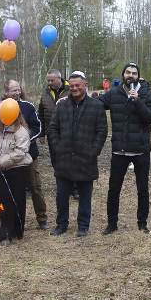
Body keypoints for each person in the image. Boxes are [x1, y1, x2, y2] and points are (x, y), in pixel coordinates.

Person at [47, 71, 107, 237]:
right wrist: (58, 147)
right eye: (71, 86)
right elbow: (52, 128)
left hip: (86, 159)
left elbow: (102, 131)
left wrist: (94, 151)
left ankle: (83, 226)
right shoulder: (62, 105)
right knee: (61, 196)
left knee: (85, 196)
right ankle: (61, 224)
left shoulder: (96, 106)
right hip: (64, 158)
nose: (74, 88)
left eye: (77, 85)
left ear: (85, 84)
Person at [101, 63, 151, 234]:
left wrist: (138, 101)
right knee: (114, 189)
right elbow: (96, 104)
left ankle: (142, 223)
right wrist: (71, 97)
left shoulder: (146, 94)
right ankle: (112, 224)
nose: (130, 76)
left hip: (141, 150)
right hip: (120, 150)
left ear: (138, 76)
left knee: (142, 189)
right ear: (123, 74)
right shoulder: (114, 93)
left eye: (134, 73)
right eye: (128, 72)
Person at [2, 80, 46, 229]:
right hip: (10, 157)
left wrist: (25, 140)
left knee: (35, 187)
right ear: (6, 92)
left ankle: (42, 219)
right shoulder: (0, 108)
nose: (17, 93)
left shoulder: (28, 107)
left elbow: (38, 127)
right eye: (13, 90)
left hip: (29, 155)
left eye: (18, 90)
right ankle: (14, 221)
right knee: (13, 190)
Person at [0, 107, 31, 244]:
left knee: (17, 201)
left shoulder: (21, 131)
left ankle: (16, 231)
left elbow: (20, 153)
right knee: (4, 202)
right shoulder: (1, 130)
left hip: (18, 170)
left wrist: (1, 162)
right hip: (4, 170)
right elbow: (0, 149)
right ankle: (5, 233)